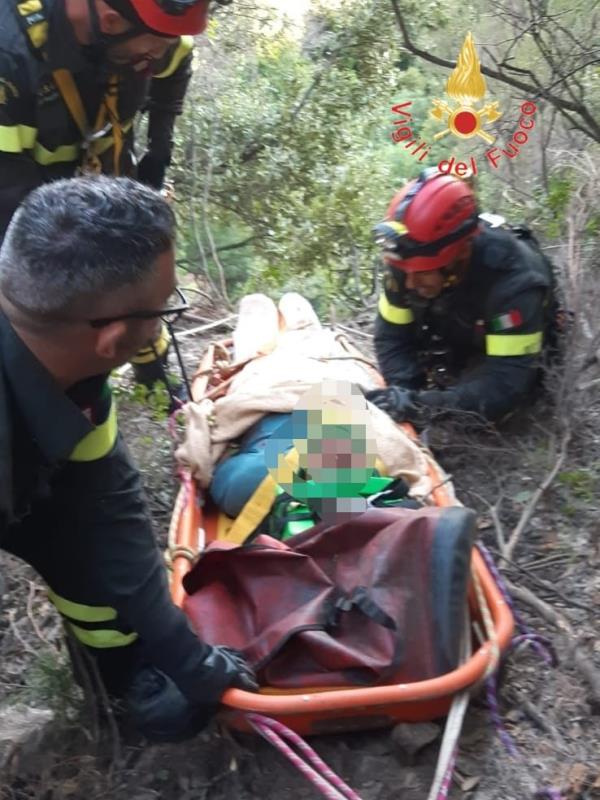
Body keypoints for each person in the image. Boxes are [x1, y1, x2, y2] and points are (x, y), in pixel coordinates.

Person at [0, 176, 256, 741]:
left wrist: (185, 658)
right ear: (115, 340)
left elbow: (108, 517)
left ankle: (115, 683)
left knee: (83, 556)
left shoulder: (79, 380)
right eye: (164, 311)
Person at [0, 0, 214, 394]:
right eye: (154, 49)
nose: (156, 59)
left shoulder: (142, 37)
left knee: (141, 268)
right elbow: (7, 196)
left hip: (103, 161)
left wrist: (159, 146)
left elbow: (177, 61)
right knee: (51, 290)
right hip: (18, 180)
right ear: (112, 20)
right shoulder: (11, 54)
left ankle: (154, 378)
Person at [366, 170, 555, 424]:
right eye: (405, 272)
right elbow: (391, 336)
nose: (410, 282)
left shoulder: (515, 284)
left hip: (502, 361)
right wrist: (402, 391)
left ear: (461, 252)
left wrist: (421, 406)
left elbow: (505, 385)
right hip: (454, 337)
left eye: (421, 273)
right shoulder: (408, 261)